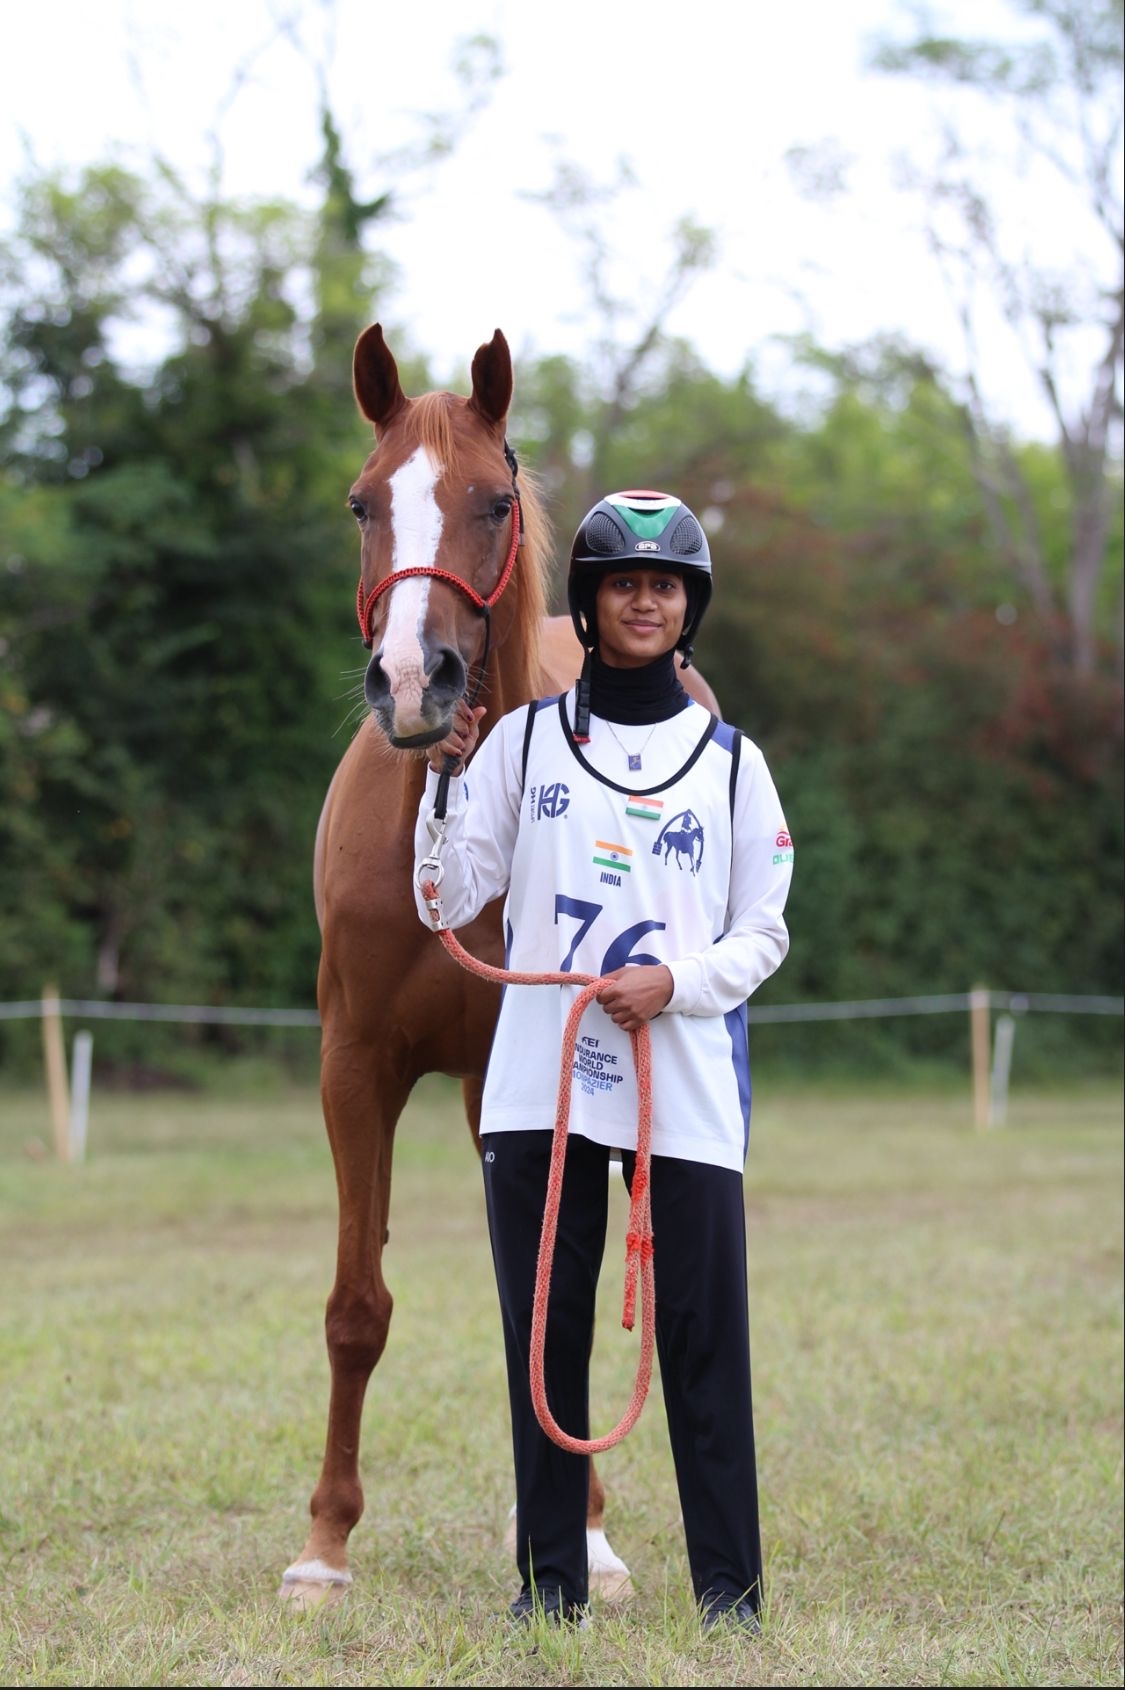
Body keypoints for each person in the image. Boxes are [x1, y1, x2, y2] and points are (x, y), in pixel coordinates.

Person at [412, 489, 793, 1633]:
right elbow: (446, 893)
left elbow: (764, 933)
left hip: (683, 1093)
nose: (642, 600)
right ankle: (550, 1589)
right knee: (545, 1341)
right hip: (542, 1089)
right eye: (620, 583)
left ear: (691, 608)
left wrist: (676, 983)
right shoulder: (522, 744)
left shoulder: (733, 765)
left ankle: (732, 1594)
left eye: (663, 583)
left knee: (705, 1344)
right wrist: (441, 777)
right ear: (584, 603)